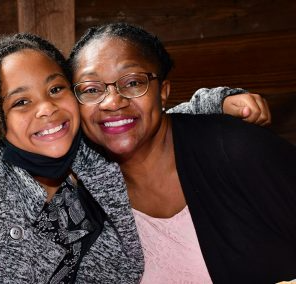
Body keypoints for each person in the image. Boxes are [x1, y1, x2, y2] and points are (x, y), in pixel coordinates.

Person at [0, 32, 269, 283]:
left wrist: (220, 101)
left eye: (56, 89)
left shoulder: (90, 156)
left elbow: (145, 116)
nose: (47, 109)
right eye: (21, 102)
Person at [68, 22, 296, 283]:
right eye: (91, 90)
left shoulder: (238, 150)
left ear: (163, 92)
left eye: (132, 83)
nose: (112, 102)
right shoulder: (85, 202)